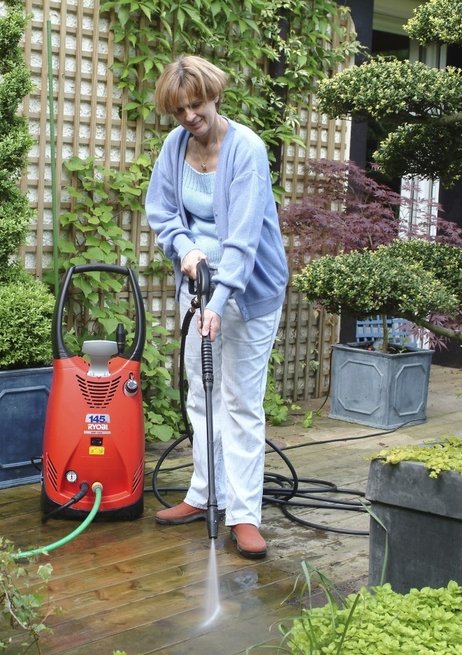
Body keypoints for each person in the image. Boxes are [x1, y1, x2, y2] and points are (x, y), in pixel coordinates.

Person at [145, 55, 288, 559]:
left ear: (214, 96)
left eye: (196, 105)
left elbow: (245, 240)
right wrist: (185, 249)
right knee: (201, 396)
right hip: (199, 288)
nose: (188, 117)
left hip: (248, 293)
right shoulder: (175, 146)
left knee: (240, 403)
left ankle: (243, 514)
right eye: (178, 110)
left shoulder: (246, 149)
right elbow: (161, 211)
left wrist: (220, 298)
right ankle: (205, 493)